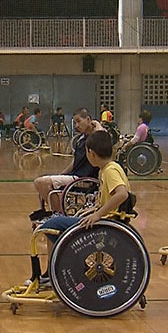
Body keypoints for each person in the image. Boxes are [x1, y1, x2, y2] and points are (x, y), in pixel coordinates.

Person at [30, 129, 132, 284]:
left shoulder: (110, 170)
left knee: (51, 224)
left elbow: (122, 194)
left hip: (105, 223)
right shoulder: (110, 168)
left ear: (91, 153)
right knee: (56, 223)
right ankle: (55, 270)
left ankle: (54, 273)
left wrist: (98, 214)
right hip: (107, 220)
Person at [31, 108, 103, 219]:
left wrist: (97, 123)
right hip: (74, 176)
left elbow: (103, 136)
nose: (76, 125)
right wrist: (62, 174)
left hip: (85, 179)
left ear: (88, 119)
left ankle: (60, 217)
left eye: (79, 121)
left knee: (41, 183)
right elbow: (75, 162)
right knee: (44, 183)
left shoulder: (97, 138)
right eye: (75, 122)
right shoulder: (81, 139)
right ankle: (57, 212)